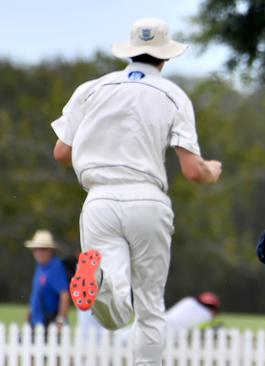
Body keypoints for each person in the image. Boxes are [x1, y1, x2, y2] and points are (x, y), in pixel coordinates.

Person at [51, 18, 222, 365]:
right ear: (166, 57)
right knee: (149, 306)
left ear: (131, 52)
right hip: (146, 199)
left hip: (99, 199)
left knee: (113, 310)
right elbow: (192, 171)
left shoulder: (92, 88)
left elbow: (61, 154)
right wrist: (211, 172)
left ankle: (97, 281)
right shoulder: (172, 94)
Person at [25, 230, 71, 332]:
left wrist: (60, 320)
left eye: (43, 249)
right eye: (36, 249)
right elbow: (36, 293)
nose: (38, 252)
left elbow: (64, 295)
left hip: (49, 326)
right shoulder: (40, 266)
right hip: (36, 324)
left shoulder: (55, 267)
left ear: (50, 251)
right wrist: (29, 314)